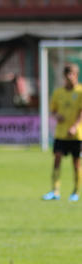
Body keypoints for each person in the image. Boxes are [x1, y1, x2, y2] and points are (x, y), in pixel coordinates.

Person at [42, 63, 82, 201]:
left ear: (76, 75)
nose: (69, 77)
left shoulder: (80, 92)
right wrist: (56, 115)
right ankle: (55, 191)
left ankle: (75, 192)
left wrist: (75, 126)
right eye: (67, 74)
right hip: (61, 133)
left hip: (76, 135)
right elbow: (53, 109)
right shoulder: (58, 92)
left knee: (76, 163)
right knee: (57, 159)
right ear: (64, 76)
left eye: (72, 74)